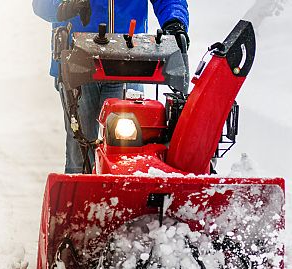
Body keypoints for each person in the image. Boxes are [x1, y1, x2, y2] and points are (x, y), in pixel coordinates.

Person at [32, 0, 189, 173]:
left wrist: (175, 21)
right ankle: (81, 195)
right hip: (77, 61)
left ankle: (123, 197)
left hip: (131, 61)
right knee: (80, 152)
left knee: (128, 148)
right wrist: (63, 7)